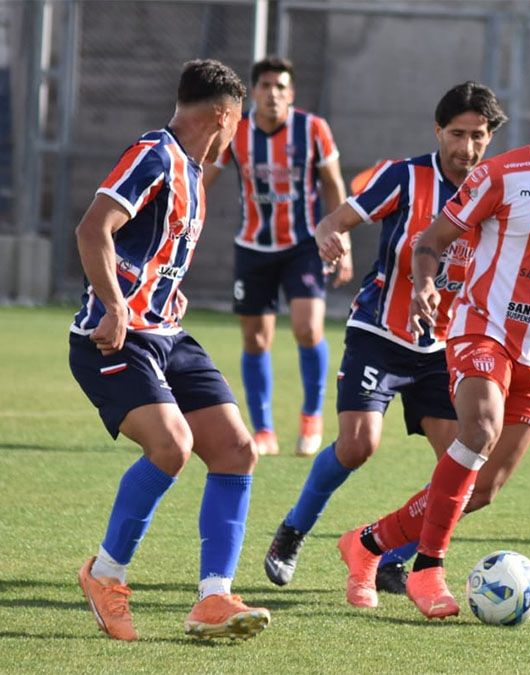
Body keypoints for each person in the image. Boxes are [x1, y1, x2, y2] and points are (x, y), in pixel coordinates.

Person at [333, 78, 530, 619]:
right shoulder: (503, 174)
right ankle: (426, 569)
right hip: (480, 329)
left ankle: (368, 544)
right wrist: (423, 283)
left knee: (484, 487)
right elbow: (432, 240)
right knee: (480, 430)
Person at [261, 82, 508, 601]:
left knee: (470, 474)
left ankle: (389, 554)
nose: (467, 148)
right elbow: (336, 218)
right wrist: (332, 234)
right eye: (457, 134)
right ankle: (292, 531)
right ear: (438, 131)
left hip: (443, 349)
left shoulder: (496, 190)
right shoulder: (405, 177)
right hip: (380, 331)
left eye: (478, 136)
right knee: (357, 446)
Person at [69, 60, 271, 641]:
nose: (238, 133)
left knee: (236, 449)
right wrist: (113, 305)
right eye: (238, 122)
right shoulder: (154, 154)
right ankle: (104, 575)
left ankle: (213, 599)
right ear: (224, 115)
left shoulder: (192, 169)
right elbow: (92, 228)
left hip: (168, 337)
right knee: (172, 445)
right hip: (114, 337)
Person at [203, 56, 351, 457]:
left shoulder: (313, 129)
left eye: (281, 87)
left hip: (303, 246)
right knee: (256, 338)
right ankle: (264, 428)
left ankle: (311, 417)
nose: (273, 94)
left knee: (307, 328)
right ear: (254, 92)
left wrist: (341, 238)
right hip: (252, 247)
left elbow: (334, 184)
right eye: (266, 86)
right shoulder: (237, 131)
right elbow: (204, 178)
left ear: (292, 93)